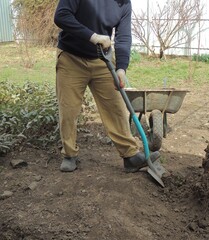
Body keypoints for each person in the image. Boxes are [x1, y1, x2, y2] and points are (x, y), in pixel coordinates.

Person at [54, 0, 160, 172]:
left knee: (116, 107)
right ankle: (69, 154)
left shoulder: (124, 3)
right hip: (71, 57)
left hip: (102, 59)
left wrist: (121, 68)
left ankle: (130, 156)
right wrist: (93, 36)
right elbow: (61, 16)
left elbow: (123, 36)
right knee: (69, 108)